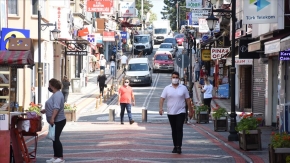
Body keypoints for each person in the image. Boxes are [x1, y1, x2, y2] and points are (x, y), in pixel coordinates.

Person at [159, 71, 193, 154]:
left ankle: (179, 147)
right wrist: (161, 108)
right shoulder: (167, 88)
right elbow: (162, 99)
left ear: (179, 78)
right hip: (171, 112)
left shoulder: (183, 88)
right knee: (174, 130)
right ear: (171, 78)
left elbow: (188, 100)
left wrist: (190, 111)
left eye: (176, 77)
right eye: (173, 77)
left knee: (179, 128)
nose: (175, 79)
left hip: (181, 112)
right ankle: (175, 146)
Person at [40, 78, 66, 163]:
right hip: (55, 120)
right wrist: (46, 110)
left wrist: (52, 118)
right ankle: (55, 156)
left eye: (49, 85)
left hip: (58, 120)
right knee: (54, 139)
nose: (48, 87)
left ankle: (60, 158)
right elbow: (52, 106)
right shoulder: (55, 94)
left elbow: (56, 108)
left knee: (56, 138)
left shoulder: (58, 95)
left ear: (53, 86)